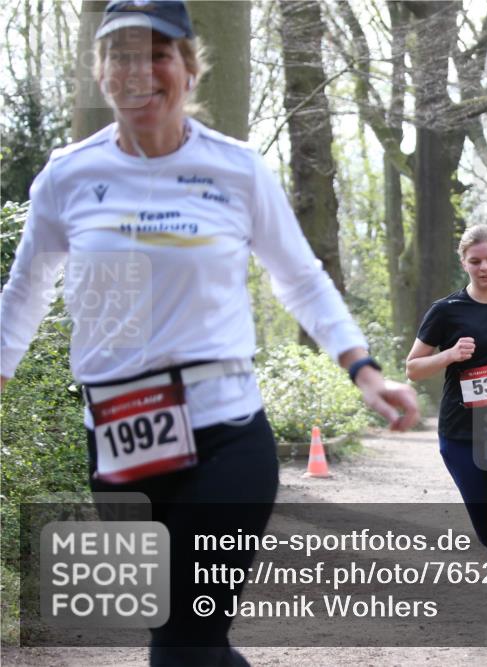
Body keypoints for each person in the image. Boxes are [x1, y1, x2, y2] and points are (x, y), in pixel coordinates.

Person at [0, 2, 419, 665]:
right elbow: (23, 294)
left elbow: (302, 279)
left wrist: (363, 369)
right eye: (121, 54)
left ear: (190, 68)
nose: (139, 70)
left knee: (179, 642)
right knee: (190, 637)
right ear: (101, 73)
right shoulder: (66, 176)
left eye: (157, 53)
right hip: (117, 444)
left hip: (224, 434)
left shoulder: (237, 169)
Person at [405, 223, 487, 648]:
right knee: (486, 528)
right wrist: (449, 355)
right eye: (476, 261)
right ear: (463, 263)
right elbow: (412, 367)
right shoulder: (446, 311)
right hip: (460, 432)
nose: (485, 267)